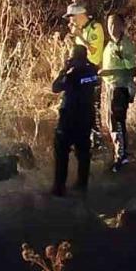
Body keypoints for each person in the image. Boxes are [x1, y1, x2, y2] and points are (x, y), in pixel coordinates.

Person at [51, 44, 100, 196]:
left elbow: (55, 87)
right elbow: (96, 76)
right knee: (83, 152)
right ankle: (82, 185)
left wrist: (64, 70)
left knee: (62, 152)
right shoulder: (92, 72)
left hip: (69, 117)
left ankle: (59, 188)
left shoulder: (72, 75)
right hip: (86, 116)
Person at [64, 0, 107, 150]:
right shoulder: (79, 31)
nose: (72, 21)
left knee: (93, 108)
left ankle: (98, 142)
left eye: (73, 17)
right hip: (80, 73)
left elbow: (94, 52)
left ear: (81, 15)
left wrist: (80, 36)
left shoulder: (96, 28)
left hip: (93, 71)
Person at [100, 13, 136, 171]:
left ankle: (121, 157)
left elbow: (132, 70)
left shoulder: (126, 45)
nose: (111, 27)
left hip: (120, 88)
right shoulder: (110, 45)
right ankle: (121, 154)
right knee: (112, 122)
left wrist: (109, 73)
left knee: (117, 122)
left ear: (122, 26)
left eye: (115, 24)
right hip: (110, 87)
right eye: (109, 24)